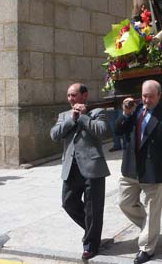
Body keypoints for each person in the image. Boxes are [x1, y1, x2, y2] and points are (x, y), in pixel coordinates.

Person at [115, 80, 162, 263]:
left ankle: (147, 248)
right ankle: (151, 227)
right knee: (124, 202)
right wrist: (125, 113)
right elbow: (118, 130)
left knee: (152, 209)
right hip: (131, 168)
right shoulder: (135, 109)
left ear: (159, 95)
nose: (146, 100)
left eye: (150, 96)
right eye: (144, 96)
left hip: (153, 169)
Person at [50, 83, 110, 261]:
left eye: (74, 95)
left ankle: (90, 244)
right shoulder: (64, 116)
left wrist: (83, 117)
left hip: (93, 168)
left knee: (93, 208)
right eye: (68, 95)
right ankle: (93, 231)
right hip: (71, 169)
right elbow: (54, 135)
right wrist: (72, 119)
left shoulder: (97, 113)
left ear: (85, 96)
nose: (70, 99)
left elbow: (102, 131)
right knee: (68, 203)